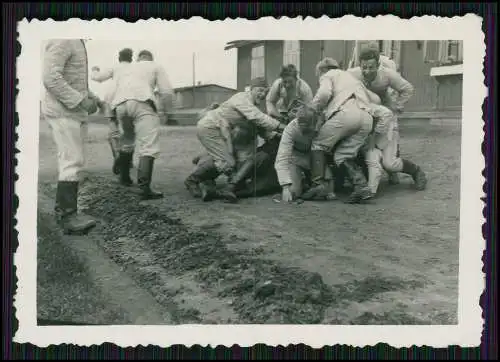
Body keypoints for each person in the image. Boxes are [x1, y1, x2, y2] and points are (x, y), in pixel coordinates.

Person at [192, 77, 287, 202]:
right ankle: (194, 181)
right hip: (212, 128)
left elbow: (259, 127)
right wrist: (283, 127)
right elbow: (258, 119)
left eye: (265, 92)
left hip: (223, 131)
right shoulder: (242, 99)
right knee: (226, 162)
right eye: (259, 90)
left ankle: (210, 182)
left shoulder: (253, 106)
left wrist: (276, 134)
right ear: (251, 89)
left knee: (231, 161)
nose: (263, 94)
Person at [42, 39, 102, 234]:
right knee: (72, 160)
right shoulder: (65, 37)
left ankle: (68, 214)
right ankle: (67, 217)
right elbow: (51, 77)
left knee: (74, 160)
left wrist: (90, 96)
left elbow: (73, 78)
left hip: (70, 111)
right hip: (63, 110)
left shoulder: (76, 40)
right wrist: (81, 101)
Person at [97, 49, 174, 200]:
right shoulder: (155, 65)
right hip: (142, 102)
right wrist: (168, 112)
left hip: (120, 105)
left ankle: (124, 178)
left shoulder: (126, 68)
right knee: (148, 145)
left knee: (127, 141)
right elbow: (167, 92)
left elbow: (111, 88)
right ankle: (143, 188)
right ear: (150, 58)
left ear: (138, 59)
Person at [303, 57, 375, 204]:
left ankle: (319, 185)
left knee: (318, 144)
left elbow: (323, 94)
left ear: (322, 70)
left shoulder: (328, 75)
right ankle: (361, 185)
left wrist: (313, 108)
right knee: (343, 154)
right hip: (367, 117)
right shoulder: (352, 78)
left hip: (347, 113)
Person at [348, 45, 415, 185]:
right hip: (366, 113)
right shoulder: (352, 74)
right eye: (364, 67)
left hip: (386, 110)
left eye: (371, 67)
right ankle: (365, 173)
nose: (367, 71)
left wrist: (398, 104)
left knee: (389, 141)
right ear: (359, 65)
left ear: (378, 65)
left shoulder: (387, 74)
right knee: (367, 144)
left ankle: (396, 171)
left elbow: (407, 89)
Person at [274, 104, 337, 203]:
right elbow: (282, 156)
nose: (304, 129)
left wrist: (328, 176)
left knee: (327, 191)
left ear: (315, 121)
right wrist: (285, 186)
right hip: (296, 157)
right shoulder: (290, 129)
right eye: (301, 124)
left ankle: (309, 185)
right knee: (293, 193)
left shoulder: (324, 126)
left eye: (307, 126)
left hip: (316, 158)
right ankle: (303, 185)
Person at [363, 103, 427, 196]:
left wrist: (374, 135)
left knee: (389, 164)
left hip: (385, 124)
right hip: (365, 128)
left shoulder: (365, 96)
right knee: (371, 156)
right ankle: (370, 190)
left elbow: (387, 113)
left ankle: (415, 170)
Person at [91, 48, 135, 176]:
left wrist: (95, 70)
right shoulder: (136, 69)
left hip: (111, 98)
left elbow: (97, 78)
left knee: (114, 131)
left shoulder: (115, 67)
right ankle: (126, 159)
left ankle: (118, 155)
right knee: (128, 133)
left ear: (119, 58)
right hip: (128, 98)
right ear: (131, 58)